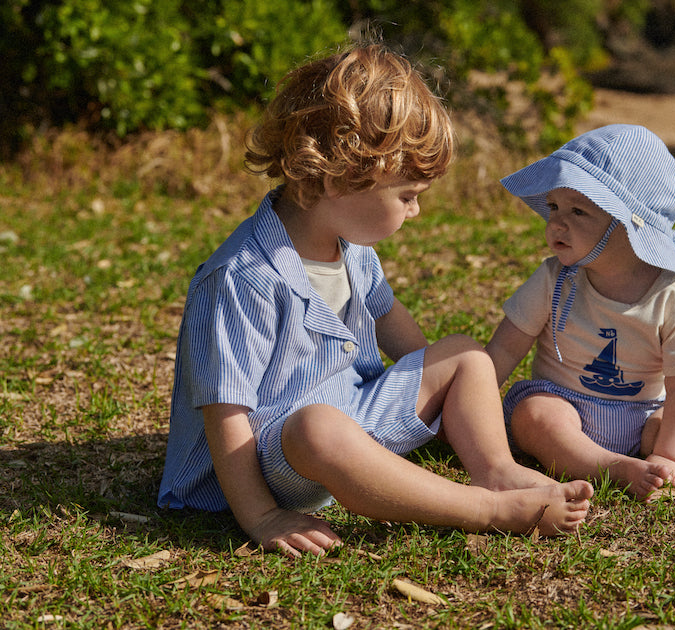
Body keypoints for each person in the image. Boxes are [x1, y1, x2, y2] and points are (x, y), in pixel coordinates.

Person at [158, 44, 593, 556]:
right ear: (341, 178)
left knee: (464, 355)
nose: (415, 213)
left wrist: (449, 395)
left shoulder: (352, 246)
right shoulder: (243, 277)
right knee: (319, 427)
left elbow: (389, 318)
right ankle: (484, 509)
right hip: (276, 455)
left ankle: (494, 470)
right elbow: (226, 413)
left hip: (350, 413)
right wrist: (263, 516)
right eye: (407, 195)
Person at [485, 124, 675, 502]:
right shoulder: (553, 279)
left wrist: (667, 456)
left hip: (645, 412)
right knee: (534, 417)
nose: (556, 223)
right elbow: (505, 350)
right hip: (564, 401)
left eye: (578, 211)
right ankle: (611, 467)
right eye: (554, 207)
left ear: (628, 227)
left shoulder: (670, 298)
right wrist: (468, 405)